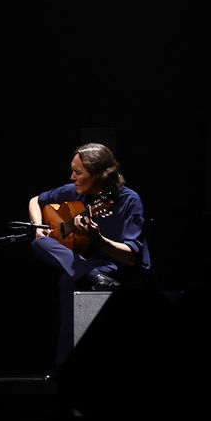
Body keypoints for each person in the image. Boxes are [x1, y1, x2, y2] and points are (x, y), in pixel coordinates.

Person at [27, 142, 151, 367]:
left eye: (77, 172)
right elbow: (36, 200)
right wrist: (38, 226)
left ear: (97, 175)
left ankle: (64, 368)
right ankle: (93, 276)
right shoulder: (76, 192)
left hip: (119, 267)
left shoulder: (130, 200)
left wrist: (98, 239)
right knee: (39, 243)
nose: (72, 178)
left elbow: (131, 256)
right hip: (94, 268)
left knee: (68, 281)